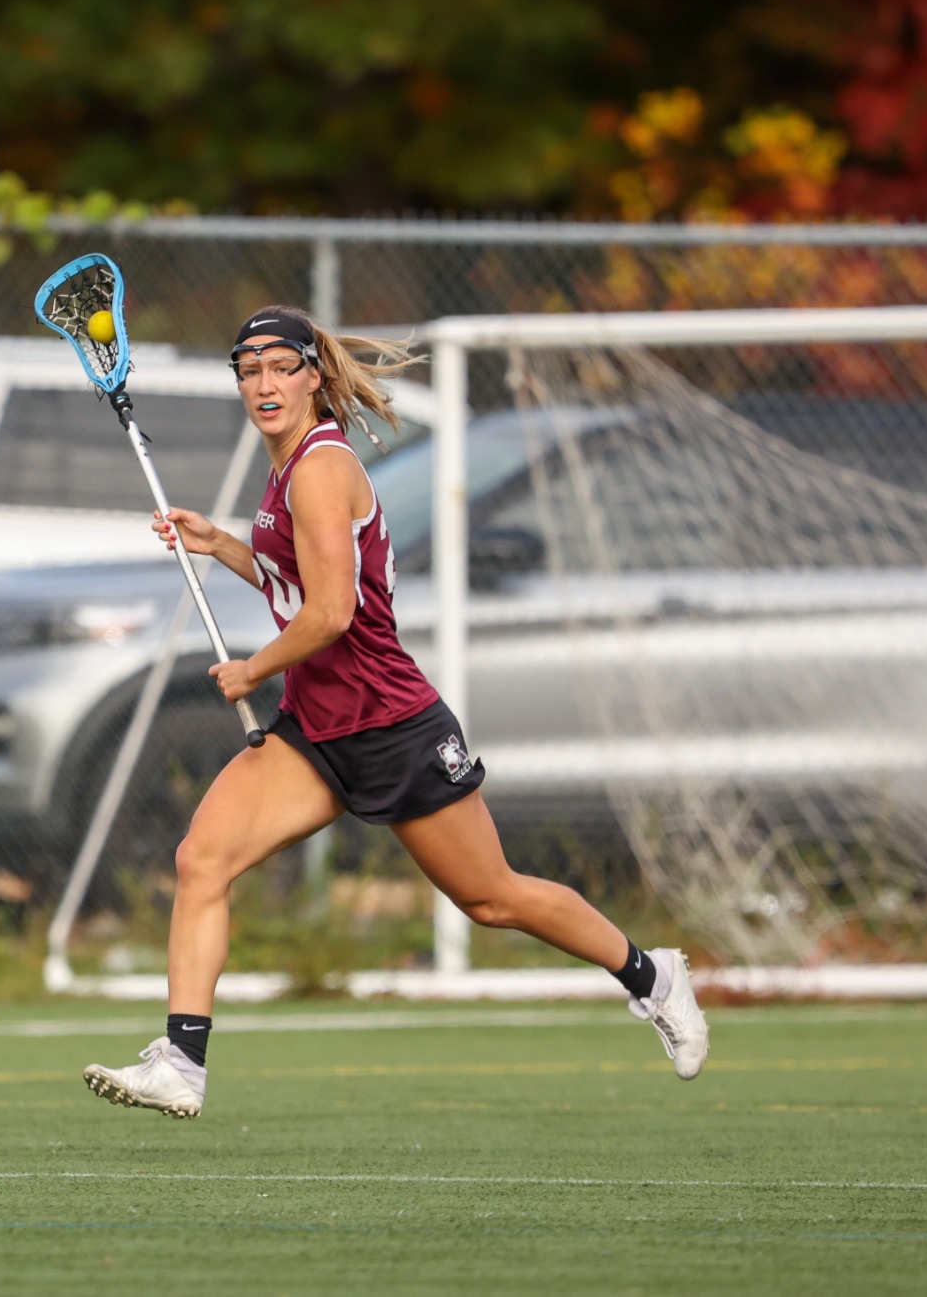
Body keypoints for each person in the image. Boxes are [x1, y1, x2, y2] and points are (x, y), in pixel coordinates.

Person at [82, 306, 708, 1118]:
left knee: (492, 899)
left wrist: (251, 670)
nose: (265, 384)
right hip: (317, 730)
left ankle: (653, 975)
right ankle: (183, 1062)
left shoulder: (317, 467)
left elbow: (333, 613)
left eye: (281, 366)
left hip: (389, 723)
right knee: (203, 858)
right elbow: (296, 586)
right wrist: (222, 545)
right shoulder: (284, 469)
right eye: (249, 369)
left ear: (313, 376)